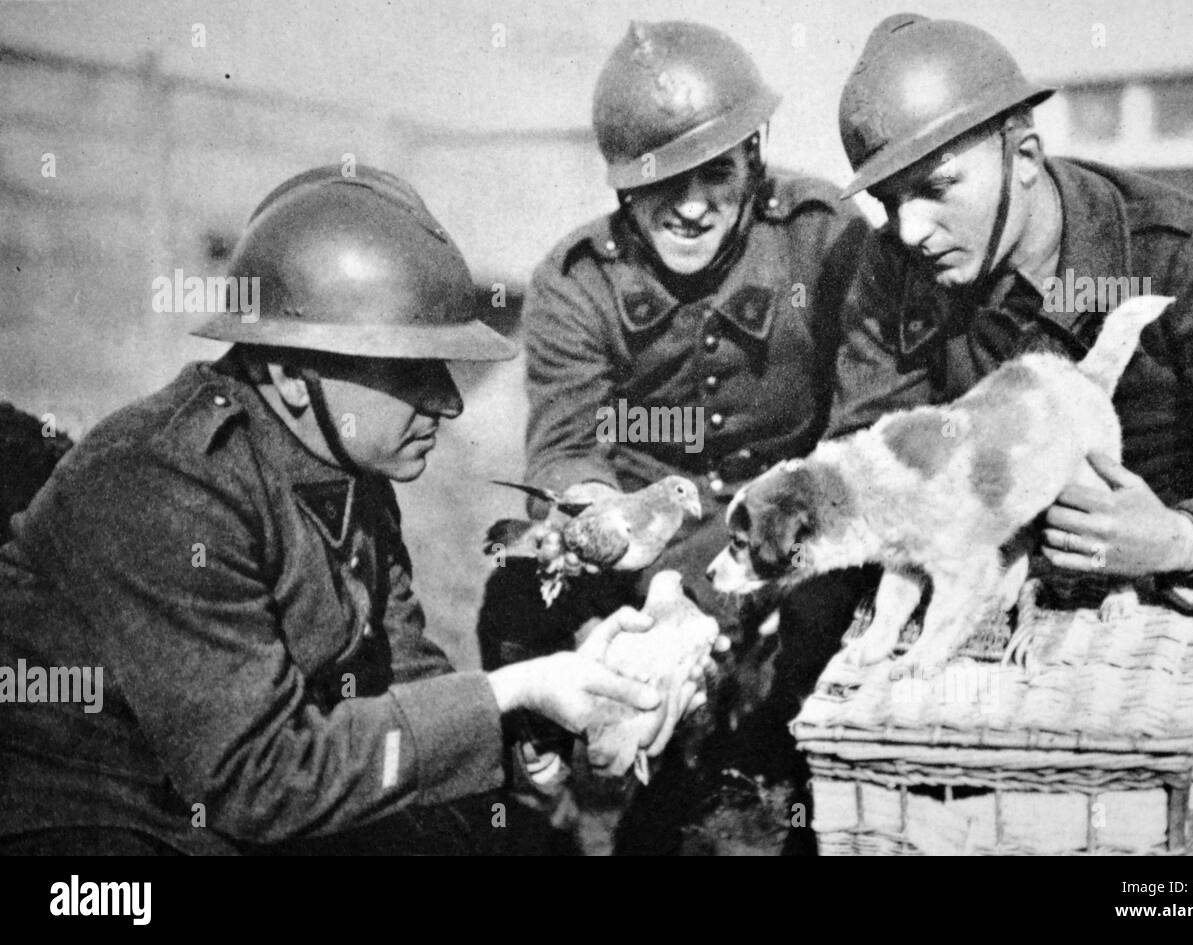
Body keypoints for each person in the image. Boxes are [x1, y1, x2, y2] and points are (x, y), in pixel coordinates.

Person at [0, 165, 702, 856]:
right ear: (288, 374)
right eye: (409, 370)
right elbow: (257, 778)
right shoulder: (164, 485)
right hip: (93, 821)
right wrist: (505, 692)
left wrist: (533, 722)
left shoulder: (343, 471)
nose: (449, 403)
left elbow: (402, 677)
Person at [832, 14, 1193, 856]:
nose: (909, 230)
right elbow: (868, 450)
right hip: (983, 568)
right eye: (888, 200)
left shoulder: (1181, 255)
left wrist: (1183, 536)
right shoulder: (891, 275)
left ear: (1024, 156)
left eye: (937, 186)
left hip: (1169, 574)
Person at [477, 20, 876, 855]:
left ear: (754, 160)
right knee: (516, 596)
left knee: (762, 777)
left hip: (789, 531)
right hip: (638, 540)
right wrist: (602, 529)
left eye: (716, 174)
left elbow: (864, 413)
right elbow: (567, 449)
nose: (691, 206)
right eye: (663, 183)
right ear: (623, 187)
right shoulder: (575, 280)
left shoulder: (822, 233)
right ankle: (551, 795)